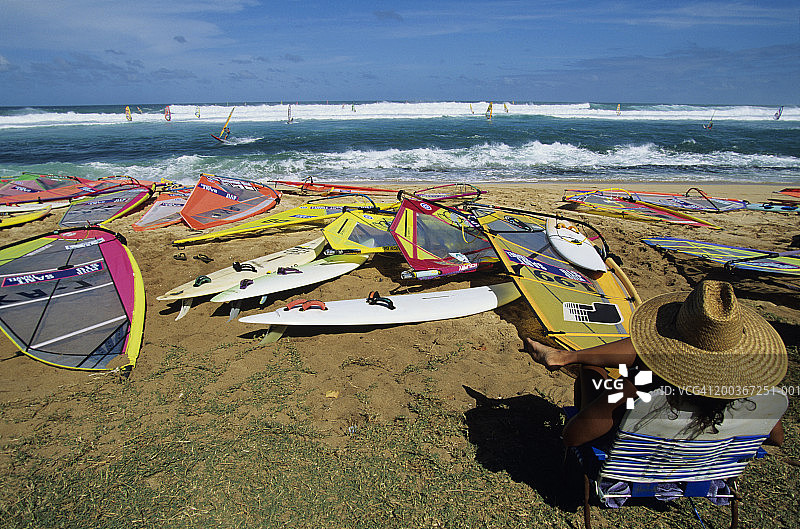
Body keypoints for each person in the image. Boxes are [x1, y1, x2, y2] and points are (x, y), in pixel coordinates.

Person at [524, 280, 787, 447]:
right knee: (622, 363)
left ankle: (567, 357)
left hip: (641, 452)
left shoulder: (634, 392)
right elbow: (776, 438)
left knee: (591, 370)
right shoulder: (752, 397)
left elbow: (572, 437)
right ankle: (564, 356)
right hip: (697, 463)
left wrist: (623, 386)